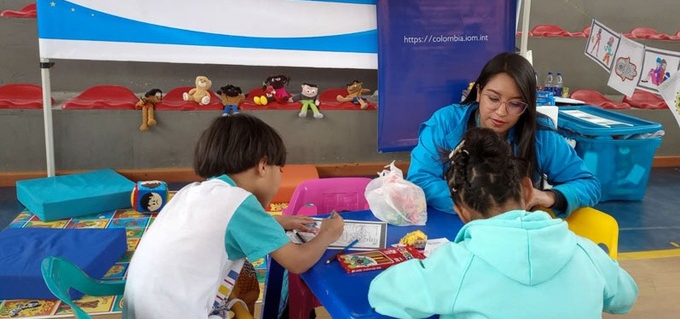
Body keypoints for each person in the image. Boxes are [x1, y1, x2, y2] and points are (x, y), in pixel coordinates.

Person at [369, 128, 638, 318]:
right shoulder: (585, 252)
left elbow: (381, 294)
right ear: (527, 189)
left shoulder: (455, 266)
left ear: (461, 212)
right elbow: (626, 298)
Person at [123, 114, 344, 319]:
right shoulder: (239, 201)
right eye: (280, 170)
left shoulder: (192, 192)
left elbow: (218, 226)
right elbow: (298, 262)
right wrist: (327, 234)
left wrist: (276, 221)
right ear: (263, 166)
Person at [407, 52, 601, 217]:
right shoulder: (445, 123)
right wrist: (486, 205)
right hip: (452, 222)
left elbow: (588, 184)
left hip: (513, 231)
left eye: (515, 104)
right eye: (493, 98)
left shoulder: (541, 135)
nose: (501, 112)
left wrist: (548, 197)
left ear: (527, 106)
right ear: (478, 92)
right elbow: (420, 180)